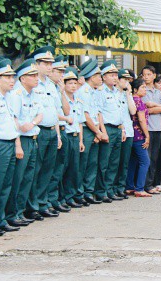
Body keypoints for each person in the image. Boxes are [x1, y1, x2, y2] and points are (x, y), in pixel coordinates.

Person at [5, 59, 42, 228]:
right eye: (32, 75)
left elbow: (39, 115)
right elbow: (14, 122)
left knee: (28, 178)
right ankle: (12, 213)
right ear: (22, 78)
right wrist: (18, 144)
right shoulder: (16, 95)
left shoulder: (34, 94)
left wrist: (33, 124)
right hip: (21, 140)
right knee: (18, 178)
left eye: (36, 75)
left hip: (32, 138)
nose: (36, 78)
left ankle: (20, 211)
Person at [26, 46, 62, 218]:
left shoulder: (51, 85)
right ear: (37, 64)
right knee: (36, 170)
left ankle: (43, 203)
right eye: (46, 63)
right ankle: (32, 206)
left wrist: (58, 134)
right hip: (38, 132)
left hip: (52, 131)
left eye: (51, 63)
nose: (50, 67)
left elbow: (55, 111)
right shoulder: (33, 84)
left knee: (48, 170)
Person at [0, 59, 18, 236]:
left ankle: (0, 219)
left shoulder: (6, 98)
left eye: (12, 76)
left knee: (6, 185)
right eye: (7, 77)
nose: (11, 80)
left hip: (8, 143)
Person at [74, 59, 104, 207]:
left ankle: (88, 191)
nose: (101, 78)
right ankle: (79, 193)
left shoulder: (93, 92)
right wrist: (97, 132)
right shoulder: (83, 92)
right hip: (87, 130)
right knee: (83, 164)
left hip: (94, 130)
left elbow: (96, 113)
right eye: (99, 75)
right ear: (92, 77)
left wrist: (98, 131)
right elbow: (85, 116)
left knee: (92, 163)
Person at [95, 60, 123, 203]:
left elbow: (120, 112)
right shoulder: (100, 92)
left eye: (115, 74)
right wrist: (103, 131)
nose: (114, 77)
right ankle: (101, 191)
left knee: (114, 162)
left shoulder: (117, 92)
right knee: (104, 163)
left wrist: (122, 129)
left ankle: (110, 189)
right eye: (111, 75)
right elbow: (99, 113)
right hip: (108, 128)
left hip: (117, 129)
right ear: (104, 77)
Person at [47, 55, 72, 214]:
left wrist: (62, 92)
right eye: (59, 71)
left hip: (60, 130)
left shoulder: (56, 88)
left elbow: (66, 110)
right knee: (49, 170)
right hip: (52, 129)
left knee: (59, 169)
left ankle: (53, 199)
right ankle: (48, 201)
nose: (62, 75)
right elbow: (54, 114)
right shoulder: (46, 87)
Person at [60, 67, 85, 209]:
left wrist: (81, 140)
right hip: (66, 135)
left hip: (75, 136)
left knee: (74, 168)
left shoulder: (79, 101)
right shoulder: (62, 99)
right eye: (69, 83)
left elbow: (80, 123)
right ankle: (62, 197)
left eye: (75, 83)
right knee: (64, 167)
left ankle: (70, 196)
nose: (73, 86)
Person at [142, 68, 161, 194]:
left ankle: (153, 183)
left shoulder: (158, 92)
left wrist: (154, 105)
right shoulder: (142, 90)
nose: (146, 77)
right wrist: (157, 108)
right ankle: (147, 185)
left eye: (149, 74)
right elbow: (146, 109)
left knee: (155, 157)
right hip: (147, 128)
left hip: (158, 127)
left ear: (154, 75)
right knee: (148, 157)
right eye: (144, 75)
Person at [126, 78, 152, 198]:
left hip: (132, 135)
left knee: (133, 161)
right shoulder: (138, 101)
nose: (145, 89)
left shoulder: (132, 100)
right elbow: (141, 119)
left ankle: (130, 186)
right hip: (139, 135)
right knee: (145, 161)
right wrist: (147, 135)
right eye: (142, 87)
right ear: (135, 89)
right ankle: (140, 188)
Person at [114, 69, 136, 200]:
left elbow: (133, 111)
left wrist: (128, 93)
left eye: (128, 80)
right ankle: (113, 187)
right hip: (119, 130)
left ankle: (121, 187)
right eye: (125, 79)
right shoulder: (114, 94)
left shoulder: (126, 95)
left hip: (128, 131)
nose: (127, 82)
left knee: (124, 162)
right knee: (115, 162)